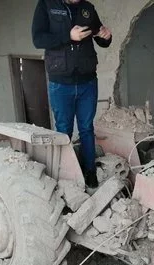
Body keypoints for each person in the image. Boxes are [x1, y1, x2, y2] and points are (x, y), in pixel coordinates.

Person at [32, 0, 112, 188]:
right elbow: (38, 39)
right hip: (61, 83)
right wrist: (68, 36)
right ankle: (65, 176)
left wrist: (105, 37)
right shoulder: (47, 5)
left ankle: (90, 172)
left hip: (87, 81)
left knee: (86, 128)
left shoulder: (88, 9)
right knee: (63, 130)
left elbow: (99, 37)